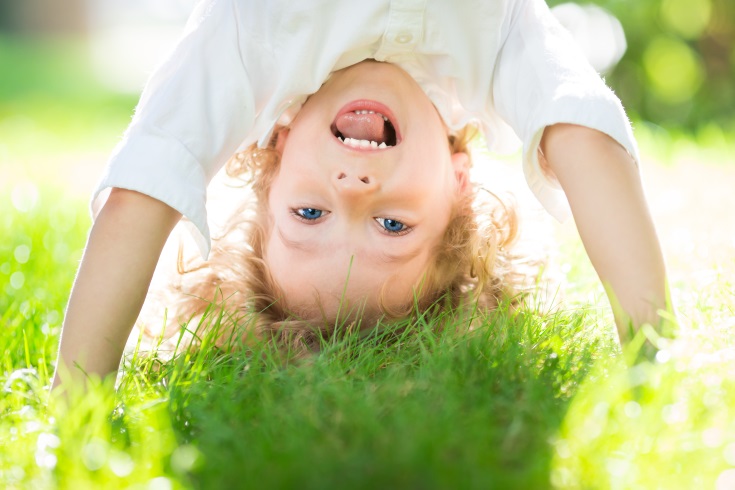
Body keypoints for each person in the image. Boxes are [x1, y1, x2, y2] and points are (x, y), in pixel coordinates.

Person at [52, 0, 668, 387]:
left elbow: (147, 183)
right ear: (460, 184)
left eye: (310, 213)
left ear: (278, 152)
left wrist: (75, 401)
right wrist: (652, 358)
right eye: (393, 226)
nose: (354, 188)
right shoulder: (497, 40)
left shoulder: (247, 40)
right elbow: (584, 131)